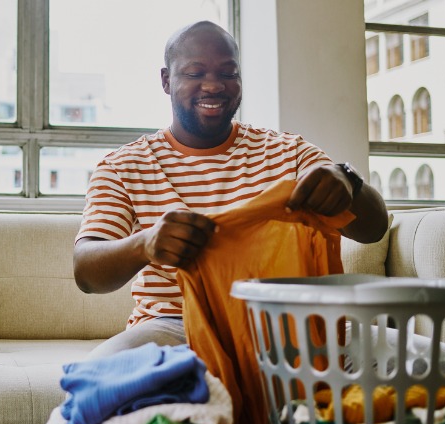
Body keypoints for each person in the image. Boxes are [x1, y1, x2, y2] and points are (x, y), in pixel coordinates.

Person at [73, 21, 389, 360]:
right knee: (99, 377)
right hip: (173, 326)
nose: (213, 85)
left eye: (228, 73)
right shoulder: (124, 166)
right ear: (166, 80)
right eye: (195, 73)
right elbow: (86, 272)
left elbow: (374, 229)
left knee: (429, 358)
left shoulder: (289, 152)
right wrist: (144, 244)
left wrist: (347, 180)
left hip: (289, 323)